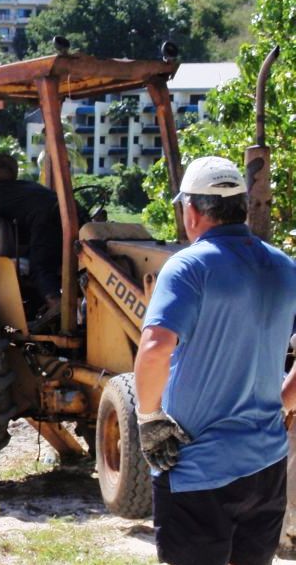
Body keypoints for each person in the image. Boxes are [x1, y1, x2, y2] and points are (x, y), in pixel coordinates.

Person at [134, 155, 296, 565]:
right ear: (241, 206)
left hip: (197, 470)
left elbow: (154, 349)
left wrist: (150, 419)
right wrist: (284, 402)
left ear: (191, 211)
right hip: (267, 465)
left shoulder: (189, 266)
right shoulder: (283, 266)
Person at [0, 153, 62, 326]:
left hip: (46, 223)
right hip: (67, 219)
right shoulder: (29, 186)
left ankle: (56, 305)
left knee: (40, 266)